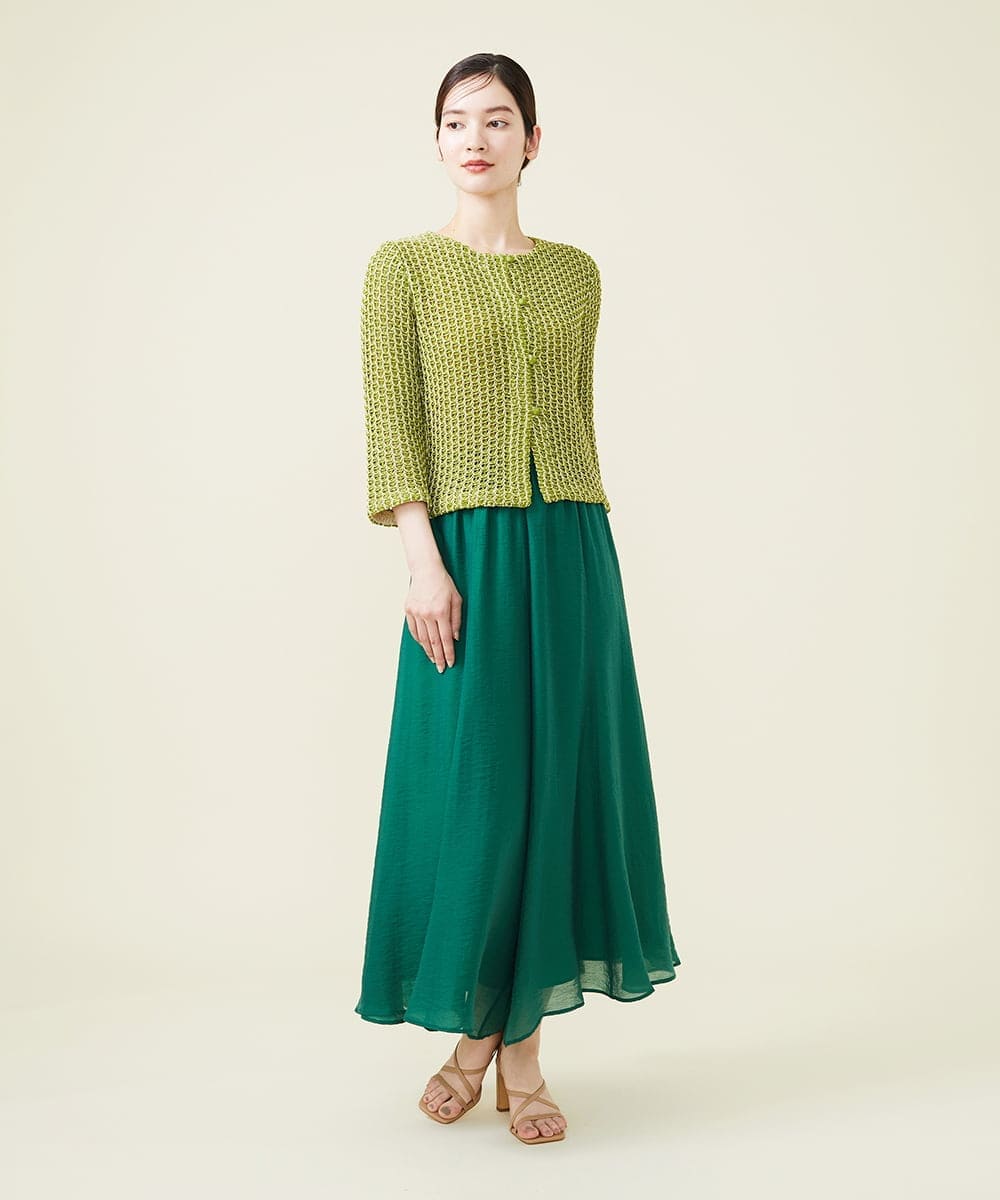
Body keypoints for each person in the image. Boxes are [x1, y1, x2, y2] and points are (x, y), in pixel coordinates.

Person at [354, 52, 681, 1146]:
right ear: (436, 140)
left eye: (498, 121)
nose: (477, 138)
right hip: (467, 551)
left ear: (532, 142)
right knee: (481, 793)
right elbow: (393, 421)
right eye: (457, 121)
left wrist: (577, 552)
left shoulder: (576, 275)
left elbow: (574, 416)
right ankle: (476, 1035)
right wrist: (423, 562)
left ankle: (516, 1054)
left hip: (571, 547)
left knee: (559, 793)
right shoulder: (401, 268)